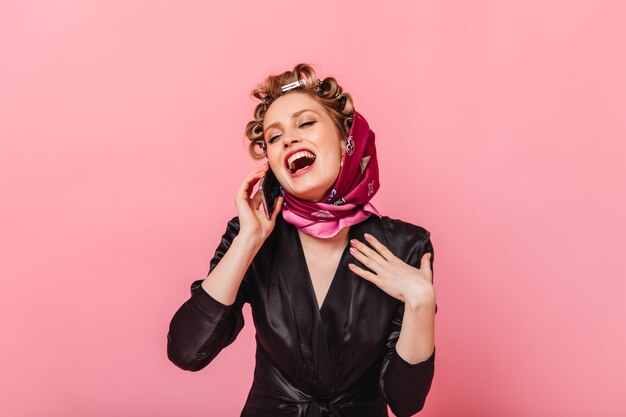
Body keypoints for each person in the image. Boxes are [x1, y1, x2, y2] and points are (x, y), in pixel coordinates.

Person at [167, 64, 437, 417]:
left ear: (346, 141)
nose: (289, 139)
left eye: (306, 123)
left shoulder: (406, 246)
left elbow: (405, 402)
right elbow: (188, 351)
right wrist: (248, 239)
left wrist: (420, 303)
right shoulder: (251, 237)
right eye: (274, 137)